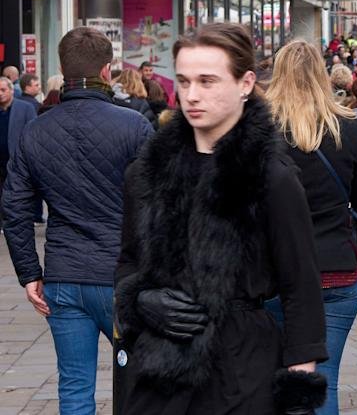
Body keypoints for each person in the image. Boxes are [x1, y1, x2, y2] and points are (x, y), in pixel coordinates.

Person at [113, 23, 328, 414]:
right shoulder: (147, 171)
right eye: (183, 81)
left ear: (245, 83)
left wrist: (298, 389)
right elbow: (127, 261)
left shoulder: (271, 177)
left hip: (241, 371)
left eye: (208, 81)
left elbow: (301, 286)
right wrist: (141, 299)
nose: (191, 95)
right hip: (158, 371)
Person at [2, 29, 153, 413]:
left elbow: (15, 207)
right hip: (122, 276)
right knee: (141, 381)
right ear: (107, 69)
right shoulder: (134, 125)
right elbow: (161, 201)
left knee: (74, 386)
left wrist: (28, 272)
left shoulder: (36, 130)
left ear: (62, 69)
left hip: (64, 277)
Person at [264, 41, 357, 415]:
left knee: (275, 379)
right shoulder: (348, 127)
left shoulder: (263, 130)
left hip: (275, 274)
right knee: (323, 380)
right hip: (336, 269)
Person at [0, 77, 37, 221]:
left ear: (11, 91)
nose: (0, 93)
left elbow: (32, 133)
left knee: (16, 194)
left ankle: (16, 219)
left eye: (3, 90)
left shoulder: (25, 108)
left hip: (16, 160)